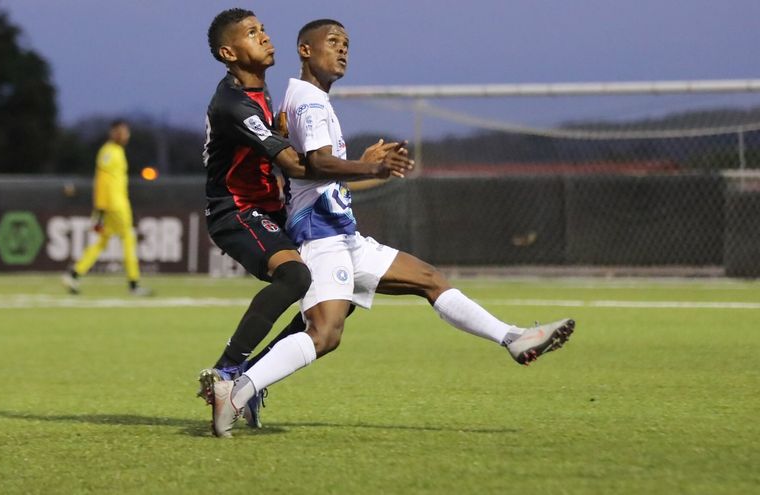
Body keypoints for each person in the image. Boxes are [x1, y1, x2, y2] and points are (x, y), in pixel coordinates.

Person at [208, 19, 576, 437]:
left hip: (344, 235)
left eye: (347, 44)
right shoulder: (308, 100)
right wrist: (371, 167)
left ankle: (513, 338)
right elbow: (315, 163)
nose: (342, 50)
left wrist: (366, 169)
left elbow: (315, 170)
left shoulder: (307, 99)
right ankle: (237, 390)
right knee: (325, 333)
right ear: (305, 50)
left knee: (429, 279)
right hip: (321, 236)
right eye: (333, 41)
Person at [197, 9, 413, 431]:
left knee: (337, 295)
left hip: (269, 210)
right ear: (228, 53)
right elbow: (298, 166)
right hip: (235, 211)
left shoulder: (259, 93)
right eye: (251, 33)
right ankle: (227, 370)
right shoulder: (233, 104)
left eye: (262, 29)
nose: (264, 37)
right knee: (295, 277)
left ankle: (250, 379)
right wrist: (367, 166)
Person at [62, 119, 152, 296]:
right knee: (128, 239)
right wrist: (101, 208)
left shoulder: (113, 151)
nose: (126, 135)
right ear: (115, 133)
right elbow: (103, 181)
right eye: (123, 132)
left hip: (111, 204)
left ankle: (74, 274)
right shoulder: (110, 152)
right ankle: (134, 285)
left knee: (101, 242)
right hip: (115, 205)